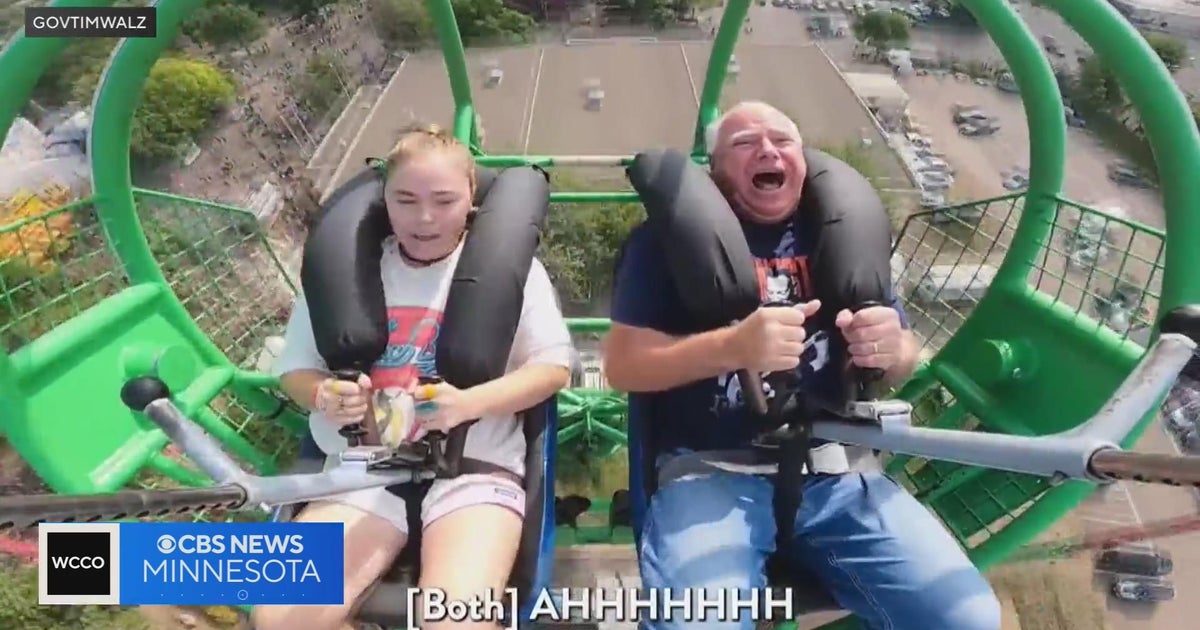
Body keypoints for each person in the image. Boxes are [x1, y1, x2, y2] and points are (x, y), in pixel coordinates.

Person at [603, 101, 1002, 630]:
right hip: (712, 472)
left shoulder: (843, 235)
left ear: (803, 162)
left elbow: (903, 357)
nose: (767, 150)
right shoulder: (661, 246)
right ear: (716, 172)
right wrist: (733, 348)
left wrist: (892, 348)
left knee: (968, 617)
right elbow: (624, 367)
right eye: (745, 143)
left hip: (837, 473)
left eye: (782, 140)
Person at [253, 124, 573, 630]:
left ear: (471, 201)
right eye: (406, 200)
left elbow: (552, 369)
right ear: (384, 202)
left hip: (472, 462)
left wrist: (468, 403)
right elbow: (295, 369)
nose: (425, 219)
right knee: (281, 619)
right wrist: (324, 394)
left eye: (444, 201)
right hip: (363, 467)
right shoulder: (347, 275)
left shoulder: (514, 274)